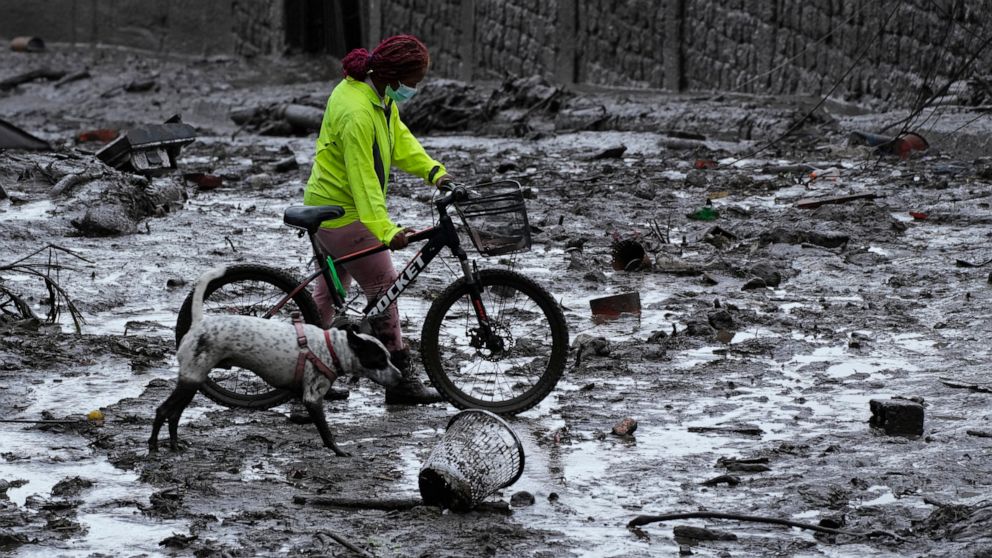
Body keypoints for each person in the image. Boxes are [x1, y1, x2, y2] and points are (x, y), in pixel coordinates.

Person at [302, 34, 452, 406]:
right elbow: (363, 179)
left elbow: (399, 139)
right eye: (414, 82)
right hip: (342, 213)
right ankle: (399, 385)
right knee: (385, 286)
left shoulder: (377, 95)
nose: (416, 88)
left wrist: (434, 172)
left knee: (324, 301)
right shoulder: (357, 111)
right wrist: (386, 231)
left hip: (329, 202)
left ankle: (304, 380)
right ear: (395, 76)